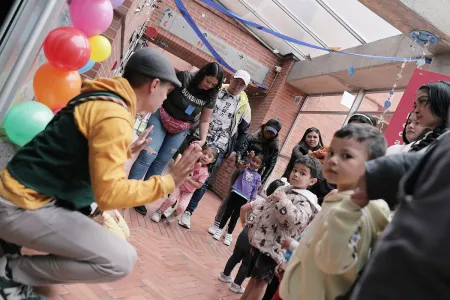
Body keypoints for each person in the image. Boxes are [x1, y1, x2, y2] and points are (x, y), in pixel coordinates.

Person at [0, 48, 202, 299]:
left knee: (104, 226)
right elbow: (109, 194)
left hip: (15, 194)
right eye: (167, 92)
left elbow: (74, 152)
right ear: (154, 84)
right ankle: (10, 272)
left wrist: (125, 152)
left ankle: (10, 251)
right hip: (17, 206)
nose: (165, 100)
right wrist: (169, 182)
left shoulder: (104, 96)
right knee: (120, 259)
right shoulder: (114, 115)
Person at [347, 82, 450, 300]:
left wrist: (373, 176)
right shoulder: (422, 144)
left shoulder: (442, 144)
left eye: (423, 102)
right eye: (415, 104)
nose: (416, 110)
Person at [279, 123, 390, 300]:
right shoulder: (336, 197)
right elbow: (314, 243)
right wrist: (293, 261)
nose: (332, 160)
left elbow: (333, 262)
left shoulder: (359, 209)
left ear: (372, 166)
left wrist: (350, 211)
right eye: (331, 152)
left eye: (346, 155)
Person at [130, 62, 224, 216]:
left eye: (214, 84)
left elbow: (205, 120)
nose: (209, 86)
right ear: (203, 74)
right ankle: (130, 191)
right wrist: (147, 106)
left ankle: (142, 197)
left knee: (160, 162)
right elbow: (164, 92)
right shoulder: (185, 78)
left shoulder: (210, 95)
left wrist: (202, 139)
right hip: (162, 117)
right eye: (208, 81)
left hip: (181, 128)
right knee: (148, 154)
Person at [239, 155, 322, 300]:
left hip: (273, 248)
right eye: (295, 170)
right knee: (253, 279)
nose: (296, 174)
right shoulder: (286, 189)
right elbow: (265, 206)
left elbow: (296, 221)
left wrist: (284, 201)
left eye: (303, 173)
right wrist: (252, 221)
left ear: (312, 181)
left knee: (260, 283)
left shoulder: (307, 201)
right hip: (262, 241)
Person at [178, 70, 252, 229]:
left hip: (220, 145)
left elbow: (244, 131)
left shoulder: (244, 105)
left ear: (245, 87)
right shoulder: (216, 90)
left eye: (242, 84)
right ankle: (173, 200)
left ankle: (188, 212)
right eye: (236, 81)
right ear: (232, 78)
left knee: (203, 179)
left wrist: (236, 152)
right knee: (186, 168)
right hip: (201, 136)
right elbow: (197, 104)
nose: (237, 85)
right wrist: (186, 121)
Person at [207, 119, 282, 235]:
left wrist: (262, 180)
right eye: (268, 130)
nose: (269, 134)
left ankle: (229, 229)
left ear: (276, 134)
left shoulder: (275, 147)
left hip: (256, 177)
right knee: (229, 198)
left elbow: (271, 165)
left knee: (243, 203)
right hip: (242, 170)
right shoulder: (252, 137)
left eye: (273, 132)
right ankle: (218, 223)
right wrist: (240, 163)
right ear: (264, 127)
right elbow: (241, 151)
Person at [217, 179, 286, 294]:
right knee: (246, 263)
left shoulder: (260, 201)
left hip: (245, 232)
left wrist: (244, 222)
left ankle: (225, 275)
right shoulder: (274, 210)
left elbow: (243, 208)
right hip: (255, 238)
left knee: (235, 256)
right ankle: (236, 285)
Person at [150, 144, 218, 223]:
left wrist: (189, 179)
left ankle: (174, 214)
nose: (205, 156)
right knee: (171, 200)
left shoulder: (205, 173)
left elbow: (199, 185)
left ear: (212, 160)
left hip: (188, 192)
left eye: (209, 156)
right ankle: (159, 211)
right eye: (204, 153)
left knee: (182, 207)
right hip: (179, 185)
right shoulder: (192, 161)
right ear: (200, 152)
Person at [212, 152, 263, 246]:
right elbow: (243, 164)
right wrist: (248, 157)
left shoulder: (258, 177)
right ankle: (219, 230)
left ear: (260, 166)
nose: (254, 163)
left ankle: (229, 234)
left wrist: (252, 199)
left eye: (257, 163)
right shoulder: (244, 168)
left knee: (235, 217)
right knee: (227, 213)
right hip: (235, 193)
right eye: (253, 160)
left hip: (244, 198)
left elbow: (255, 189)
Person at [283, 127, 332, 206]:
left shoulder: (322, 151)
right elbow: (304, 162)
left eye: (315, 137)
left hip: (311, 186)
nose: (312, 139)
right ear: (305, 138)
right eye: (309, 136)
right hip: (293, 180)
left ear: (319, 139)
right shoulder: (298, 149)